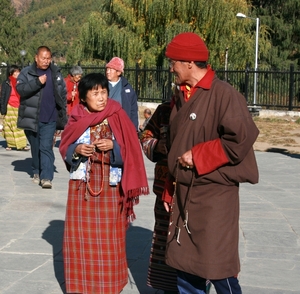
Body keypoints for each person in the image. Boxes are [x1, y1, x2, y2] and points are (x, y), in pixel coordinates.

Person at [162, 32, 259, 294]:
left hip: (215, 196)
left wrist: (198, 155)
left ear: (189, 63)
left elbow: (241, 139)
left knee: (218, 268)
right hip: (185, 192)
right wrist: (170, 187)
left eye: (174, 62)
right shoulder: (182, 95)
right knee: (186, 268)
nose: (171, 68)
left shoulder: (223, 94)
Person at [59, 72, 149, 294]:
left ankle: (109, 286)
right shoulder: (76, 117)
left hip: (111, 186)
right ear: (83, 98)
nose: (101, 98)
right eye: (95, 93)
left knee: (111, 239)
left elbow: (132, 148)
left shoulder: (117, 114)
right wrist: (77, 150)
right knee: (80, 239)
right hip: (82, 188)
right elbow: (65, 146)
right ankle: (81, 286)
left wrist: (113, 147)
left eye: (104, 93)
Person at [140, 100, 179, 294]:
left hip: (196, 190)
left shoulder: (205, 106)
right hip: (164, 186)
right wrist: (156, 146)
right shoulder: (164, 110)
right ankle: (166, 287)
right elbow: (146, 136)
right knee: (164, 236)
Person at [16, 46, 67, 188]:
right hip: (32, 118)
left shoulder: (56, 73)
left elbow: (62, 94)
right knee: (36, 146)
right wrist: (37, 82)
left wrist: (62, 115)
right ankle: (36, 170)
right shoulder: (27, 73)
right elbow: (21, 89)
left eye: (48, 58)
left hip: (50, 117)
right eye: (43, 58)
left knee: (46, 147)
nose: (46, 61)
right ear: (36, 58)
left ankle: (46, 177)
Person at [0, 65, 29, 151]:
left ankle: (22, 145)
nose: (17, 73)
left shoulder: (21, 82)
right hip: (9, 106)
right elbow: (3, 96)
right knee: (8, 126)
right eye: (15, 72)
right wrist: (2, 109)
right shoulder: (6, 83)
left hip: (19, 106)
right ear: (11, 73)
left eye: (18, 71)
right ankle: (10, 144)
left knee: (19, 125)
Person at [105, 57, 139, 130]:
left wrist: (134, 129)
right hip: (105, 124)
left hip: (121, 125)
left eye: (111, 69)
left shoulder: (127, 88)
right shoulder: (101, 85)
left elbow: (133, 111)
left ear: (118, 72)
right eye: (107, 69)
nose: (107, 72)